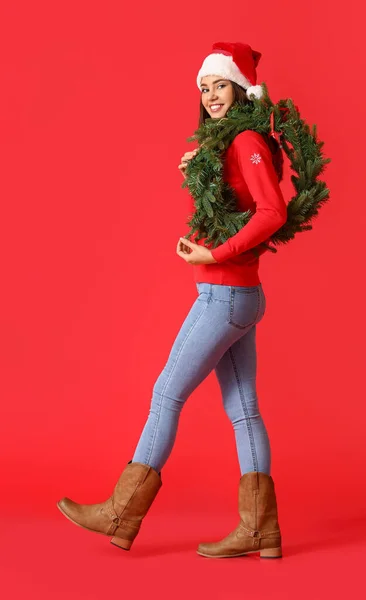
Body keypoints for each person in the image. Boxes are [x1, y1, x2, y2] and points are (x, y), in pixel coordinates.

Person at [57, 41, 287, 560]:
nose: (210, 95)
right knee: (243, 409)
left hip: (225, 293)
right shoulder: (229, 141)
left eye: (219, 85)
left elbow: (272, 211)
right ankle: (260, 531)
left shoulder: (247, 137)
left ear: (239, 88)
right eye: (204, 88)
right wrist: (201, 169)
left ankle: (121, 512)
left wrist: (213, 253)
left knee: (167, 393)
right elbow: (236, 201)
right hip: (240, 294)